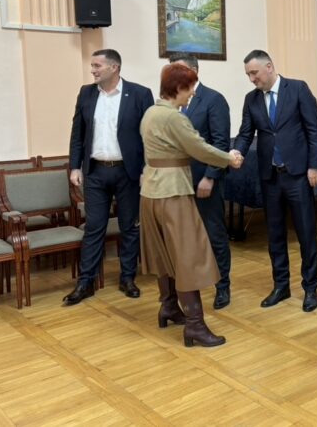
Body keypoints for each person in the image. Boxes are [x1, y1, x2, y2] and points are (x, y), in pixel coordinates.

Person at [139, 63, 243, 347]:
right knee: (188, 256)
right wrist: (229, 158)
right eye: (189, 88)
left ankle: (169, 307)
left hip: (150, 192)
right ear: (178, 88)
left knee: (164, 254)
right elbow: (199, 148)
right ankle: (195, 325)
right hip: (173, 193)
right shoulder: (174, 118)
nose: (192, 94)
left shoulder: (151, 113)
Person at [234, 50, 317, 312]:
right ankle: (281, 286)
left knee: (306, 233)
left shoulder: (297, 89)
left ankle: (310, 288)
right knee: (274, 235)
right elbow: (245, 133)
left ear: (269, 67)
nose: (251, 79)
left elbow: (314, 130)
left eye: (254, 73)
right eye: (248, 75)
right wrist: (237, 152)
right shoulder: (251, 99)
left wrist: (315, 166)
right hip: (270, 177)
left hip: (298, 175)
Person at [65, 49, 154, 305]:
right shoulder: (86, 93)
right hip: (95, 171)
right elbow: (77, 133)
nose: (92, 70)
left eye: (97, 65)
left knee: (129, 227)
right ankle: (86, 282)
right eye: (92, 65)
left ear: (114, 67)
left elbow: (149, 136)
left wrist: (146, 169)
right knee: (94, 227)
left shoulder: (139, 94)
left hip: (128, 172)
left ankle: (128, 278)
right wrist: (74, 166)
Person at [169, 54, 233, 310]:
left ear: (194, 71)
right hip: (177, 182)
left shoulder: (213, 99)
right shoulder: (171, 101)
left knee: (214, 234)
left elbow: (220, 143)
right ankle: (189, 286)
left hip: (205, 181)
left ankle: (223, 285)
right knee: (183, 237)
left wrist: (210, 176)